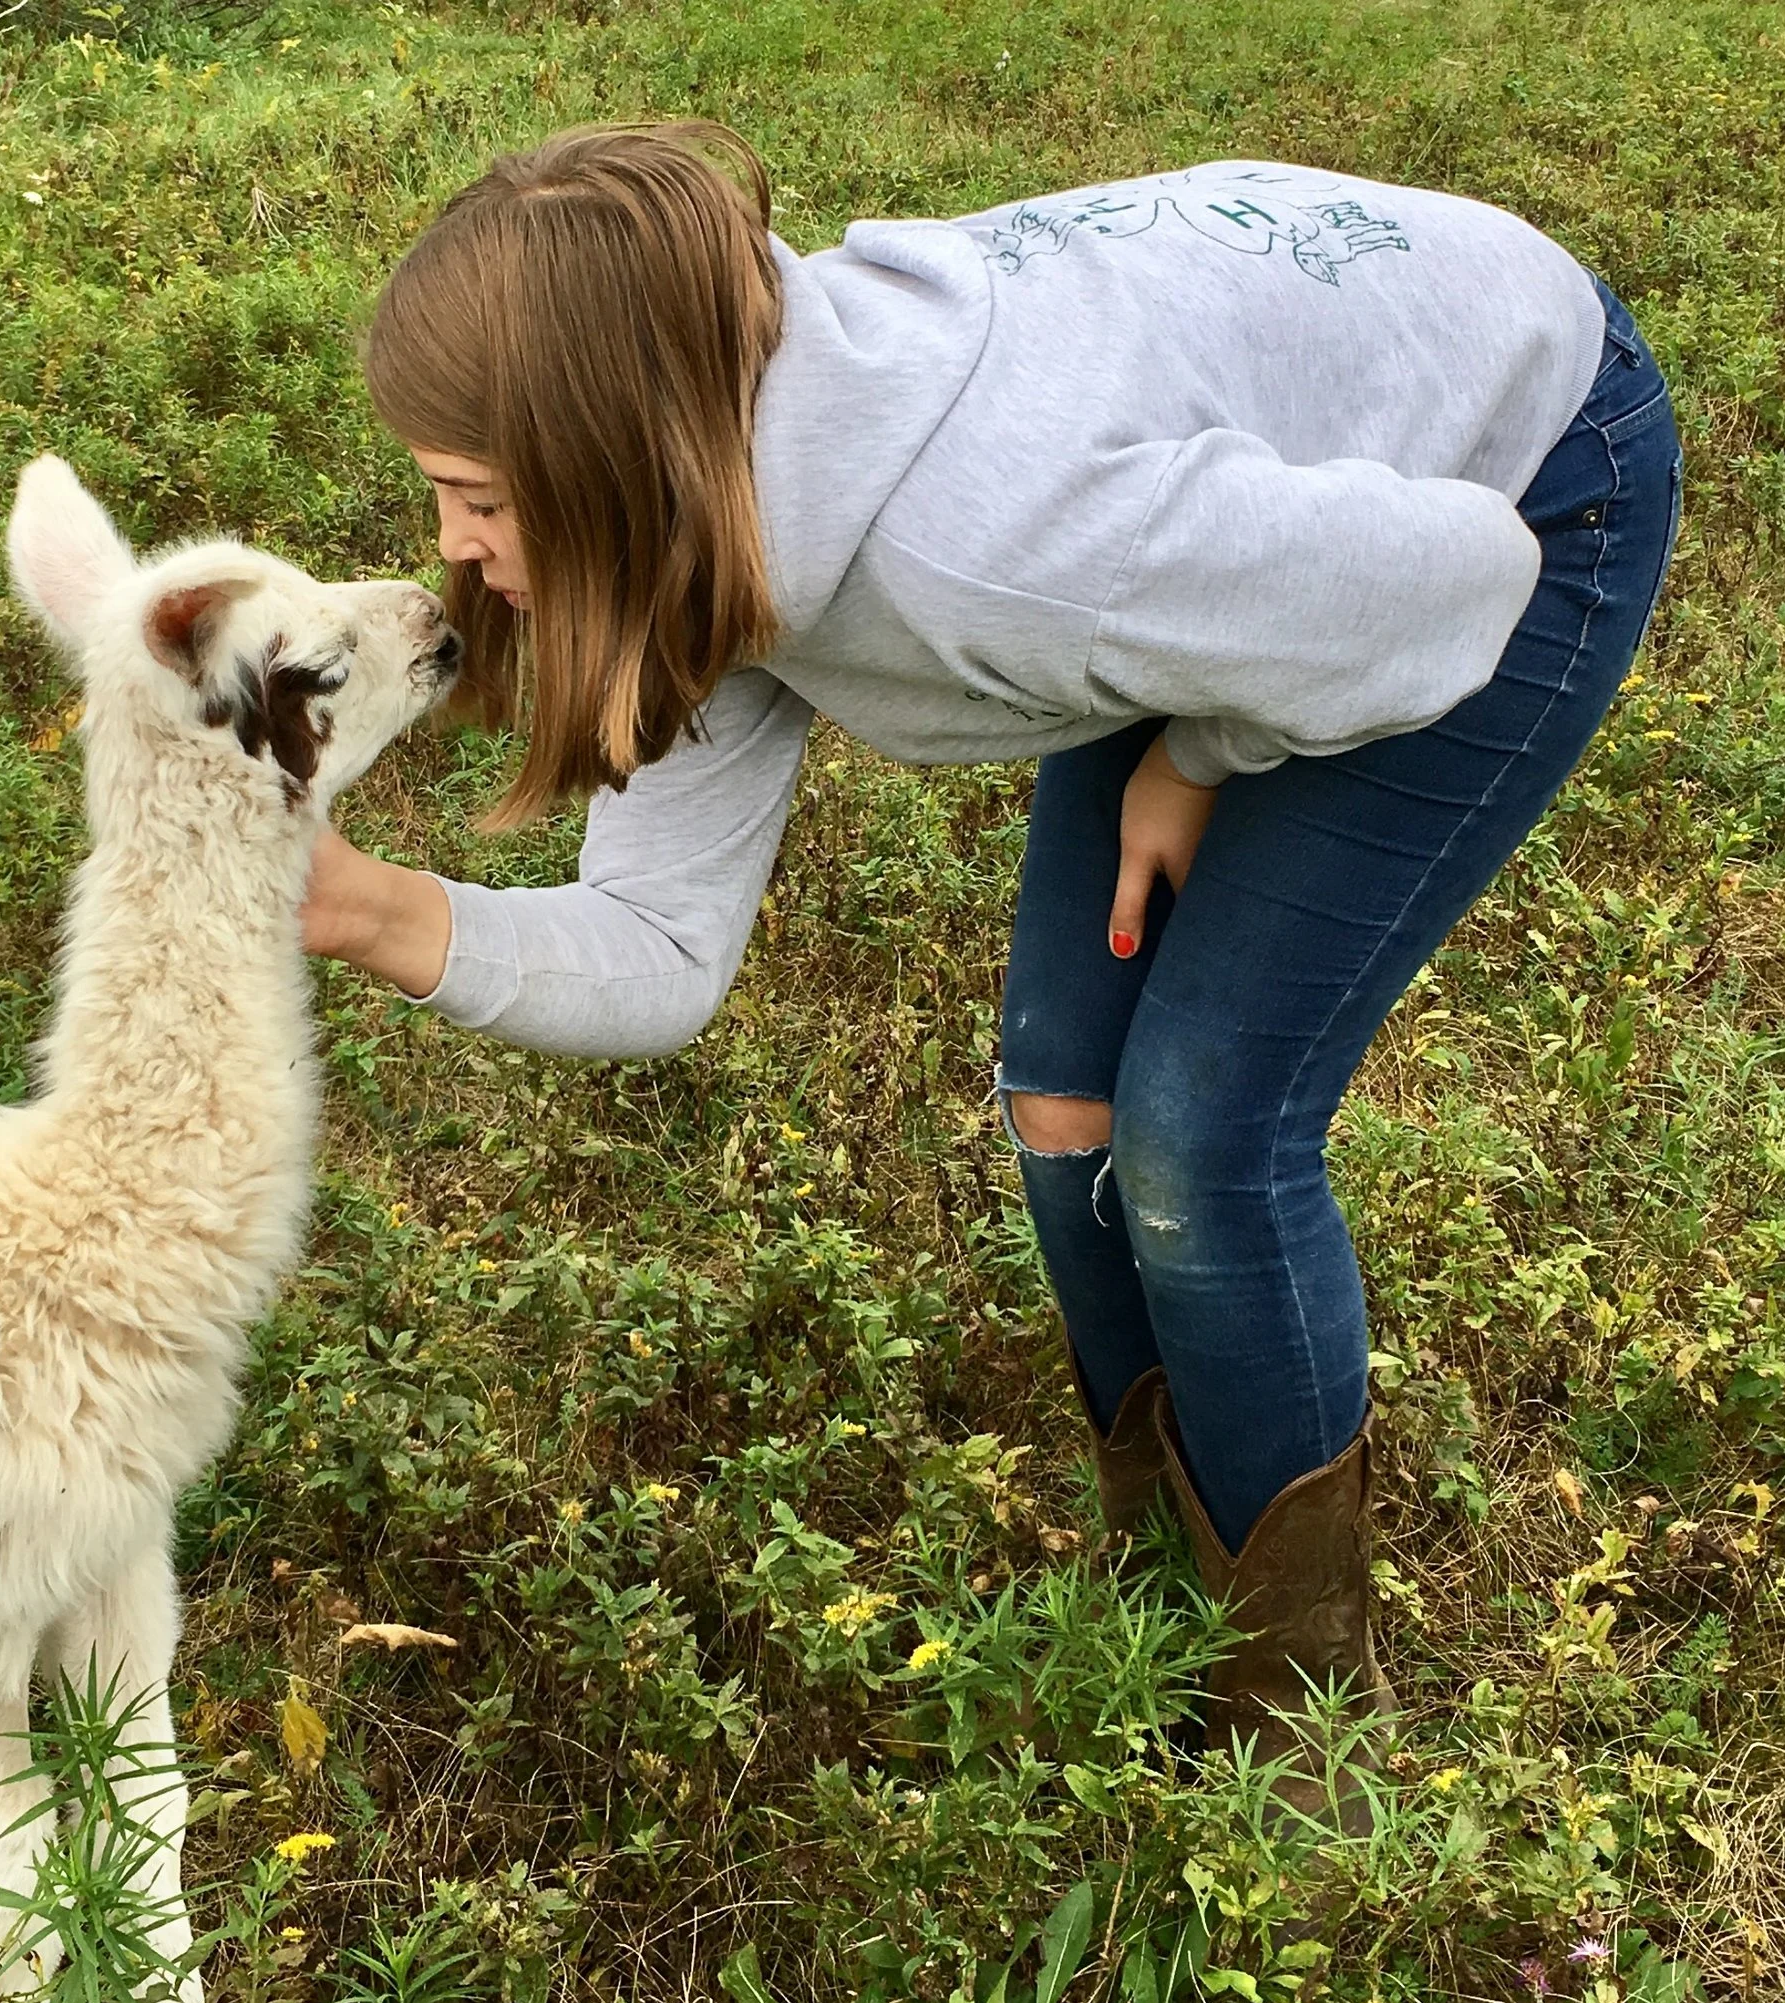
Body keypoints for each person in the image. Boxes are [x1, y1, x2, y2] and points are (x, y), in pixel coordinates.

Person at [300, 122, 1680, 1783]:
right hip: (1208, 510)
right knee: (1064, 1108)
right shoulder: (711, 518)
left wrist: (1199, 756)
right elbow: (660, 945)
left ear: (619, 460)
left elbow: (1447, 588)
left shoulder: (1004, 553)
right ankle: (1169, 1584)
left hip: (1517, 469)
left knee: (1203, 1134)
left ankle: (1278, 1733)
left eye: (481, 499)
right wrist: (361, 905)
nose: (455, 552)